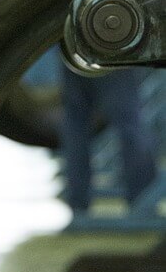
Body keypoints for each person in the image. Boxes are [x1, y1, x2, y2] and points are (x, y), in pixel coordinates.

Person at [60, 63, 158, 218]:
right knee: (129, 125)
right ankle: (143, 201)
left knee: (76, 127)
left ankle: (77, 204)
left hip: (72, 53)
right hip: (113, 54)